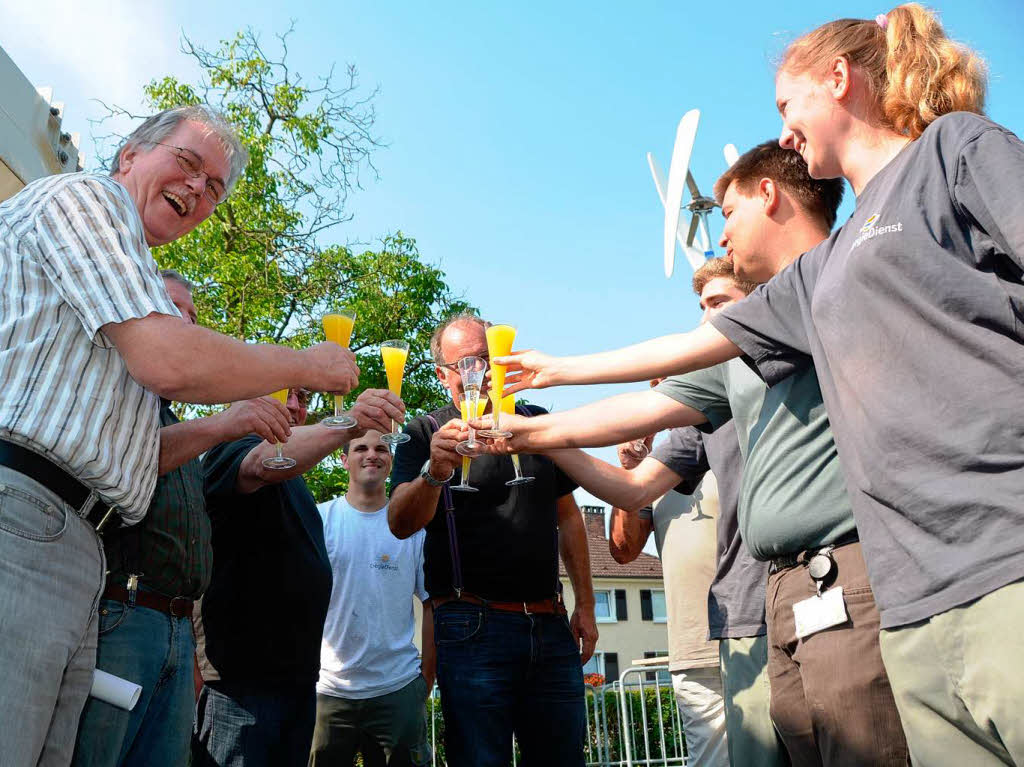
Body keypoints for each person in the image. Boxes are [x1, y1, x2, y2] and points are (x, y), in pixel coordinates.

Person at [497, 7, 1024, 763]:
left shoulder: (954, 148)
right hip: (914, 597)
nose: (783, 132)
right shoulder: (820, 272)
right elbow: (688, 352)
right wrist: (551, 378)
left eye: (786, 104)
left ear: (838, 79)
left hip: (1002, 554)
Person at [486, 144, 912, 764]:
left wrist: (559, 370)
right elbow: (642, 416)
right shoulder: (733, 363)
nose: (723, 233)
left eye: (729, 213)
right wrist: (527, 432)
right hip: (774, 595)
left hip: (846, 575)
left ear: (768, 196)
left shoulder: (831, 277)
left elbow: (671, 356)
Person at [0, 104, 357, 767]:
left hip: (79, 543)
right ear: (131, 153)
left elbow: (142, 454)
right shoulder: (84, 199)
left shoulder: (125, 272)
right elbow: (169, 360)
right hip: (25, 516)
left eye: (214, 187)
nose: (197, 188)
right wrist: (306, 365)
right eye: (188, 163)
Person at [70, 271, 295, 767]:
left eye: (193, 316)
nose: (187, 324)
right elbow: (126, 459)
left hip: (175, 627)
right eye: (174, 309)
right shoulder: (109, 399)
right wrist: (224, 423)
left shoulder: (179, 426)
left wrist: (189, 648)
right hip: (120, 616)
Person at [387, 314, 598, 767]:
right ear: (442, 374)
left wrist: (586, 604)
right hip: (471, 626)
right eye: (464, 363)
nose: (477, 372)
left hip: (549, 623)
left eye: (485, 359)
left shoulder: (535, 423)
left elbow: (568, 517)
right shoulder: (425, 432)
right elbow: (400, 522)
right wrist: (434, 472)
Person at [192, 388, 404, 767]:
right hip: (242, 688)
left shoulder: (295, 482)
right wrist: (350, 423)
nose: (294, 405)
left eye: (302, 397)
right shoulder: (234, 448)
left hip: (297, 685)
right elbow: (262, 462)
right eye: (282, 391)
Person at [309, 429, 433, 766]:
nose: (372, 455)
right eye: (360, 448)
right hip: (327, 691)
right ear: (344, 460)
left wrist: (425, 681)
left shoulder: (412, 528)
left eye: (381, 448)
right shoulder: (318, 520)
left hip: (397, 688)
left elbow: (431, 604)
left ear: (391, 460)